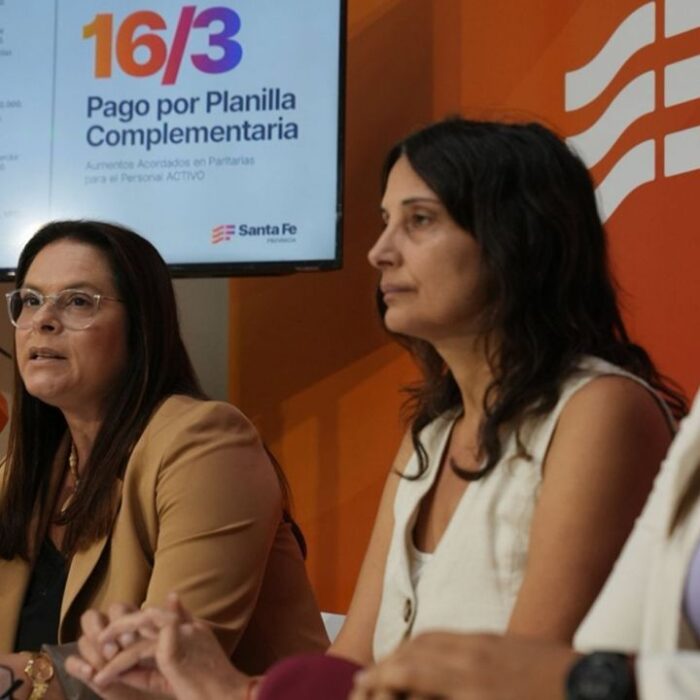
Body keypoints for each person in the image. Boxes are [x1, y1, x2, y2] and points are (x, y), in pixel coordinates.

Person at [66, 118, 685, 699]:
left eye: (420, 220)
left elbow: (515, 680)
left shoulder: (600, 411)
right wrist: (183, 675)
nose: (380, 251)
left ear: (517, 239)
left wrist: (234, 690)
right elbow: (350, 667)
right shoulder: (432, 433)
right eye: (387, 221)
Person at [0, 221, 327, 700]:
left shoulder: (207, 444)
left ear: (141, 327)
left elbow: (165, 665)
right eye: (31, 300)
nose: (43, 320)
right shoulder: (26, 473)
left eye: (78, 301)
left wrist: (23, 676)